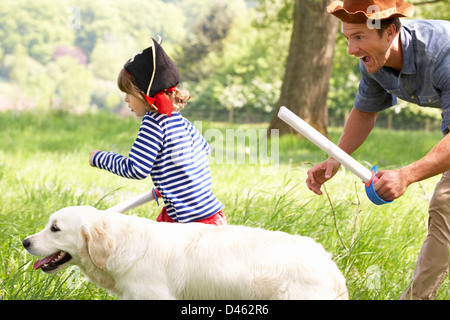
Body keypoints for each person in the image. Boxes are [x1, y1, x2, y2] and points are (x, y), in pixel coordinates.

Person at [306, 0, 449, 299]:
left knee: (444, 200)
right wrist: (335, 160)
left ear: (390, 32)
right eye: (347, 38)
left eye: (359, 37)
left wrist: (406, 175)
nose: (351, 50)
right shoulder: (374, 62)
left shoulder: (441, 54)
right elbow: (365, 112)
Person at [89, 38, 226, 226]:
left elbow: (136, 169)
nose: (126, 100)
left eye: (129, 94)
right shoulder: (180, 121)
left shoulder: (153, 124)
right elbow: (203, 150)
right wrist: (173, 184)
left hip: (191, 224)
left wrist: (100, 158)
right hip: (211, 216)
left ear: (144, 95)